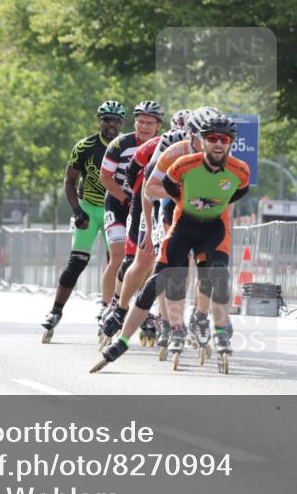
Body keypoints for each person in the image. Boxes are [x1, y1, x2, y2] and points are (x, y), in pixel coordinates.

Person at [91, 112, 249, 373]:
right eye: (212, 138)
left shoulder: (240, 169)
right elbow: (149, 189)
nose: (218, 144)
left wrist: (217, 214)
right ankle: (126, 331)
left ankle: (209, 323)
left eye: (224, 139)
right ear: (198, 138)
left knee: (217, 274)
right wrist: (154, 224)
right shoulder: (178, 158)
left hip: (213, 227)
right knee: (158, 278)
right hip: (177, 218)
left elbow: (233, 196)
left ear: (231, 142)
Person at [40, 100, 126, 343]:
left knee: (118, 264)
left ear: (122, 123)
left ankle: (111, 309)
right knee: (77, 262)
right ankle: (55, 311)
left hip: (114, 209)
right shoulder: (85, 146)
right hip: (88, 206)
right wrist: (77, 211)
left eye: (116, 120)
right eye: (107, 119)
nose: (111, 124)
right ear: (99, 121)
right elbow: (69, 181)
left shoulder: (126, 146)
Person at [97, 100, 163, 327]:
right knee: (118, 256)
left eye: (149, 123)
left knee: (143, 260)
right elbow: (105, 177)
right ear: (134, 123)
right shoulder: (119, 144)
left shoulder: (163, 145)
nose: (144, 126)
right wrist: (125, 199)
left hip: (143, 205)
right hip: (118, 203)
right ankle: (107, 305)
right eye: (140, 122)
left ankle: (140, 308)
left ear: (158, 125)